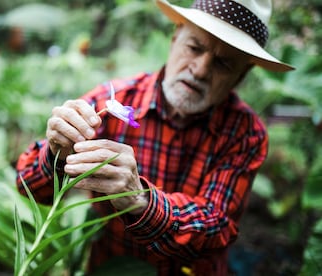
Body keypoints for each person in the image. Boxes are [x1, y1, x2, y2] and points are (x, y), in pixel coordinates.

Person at [15, 0, 294, 275]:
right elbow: (27, 184)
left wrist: (142, 201)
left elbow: (217, 225)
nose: (200, 69)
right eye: (194, 48)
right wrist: (57, 153)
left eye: (223, 63)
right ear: (175, 38)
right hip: (112, 268)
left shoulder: (245, 133)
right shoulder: (112, 102)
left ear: (242, 75)